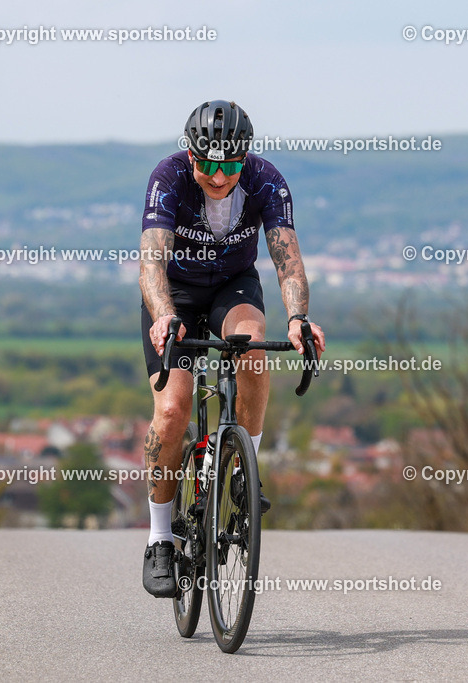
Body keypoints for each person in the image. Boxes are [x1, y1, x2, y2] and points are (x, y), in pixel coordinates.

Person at [140, 100, 325, 597]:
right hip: (175, 293)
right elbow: (152, 261)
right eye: (208, 163)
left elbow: (287, 260)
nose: (219, 176)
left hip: (232, 286)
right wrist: (163, 316)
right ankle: (160, 539)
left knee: (253, 355)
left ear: (245, 157)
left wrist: (298, 318)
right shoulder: (169, 177)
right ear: (191, 154)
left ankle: (244, 470)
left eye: (230, 164)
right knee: (174, 408)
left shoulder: (266, 180)